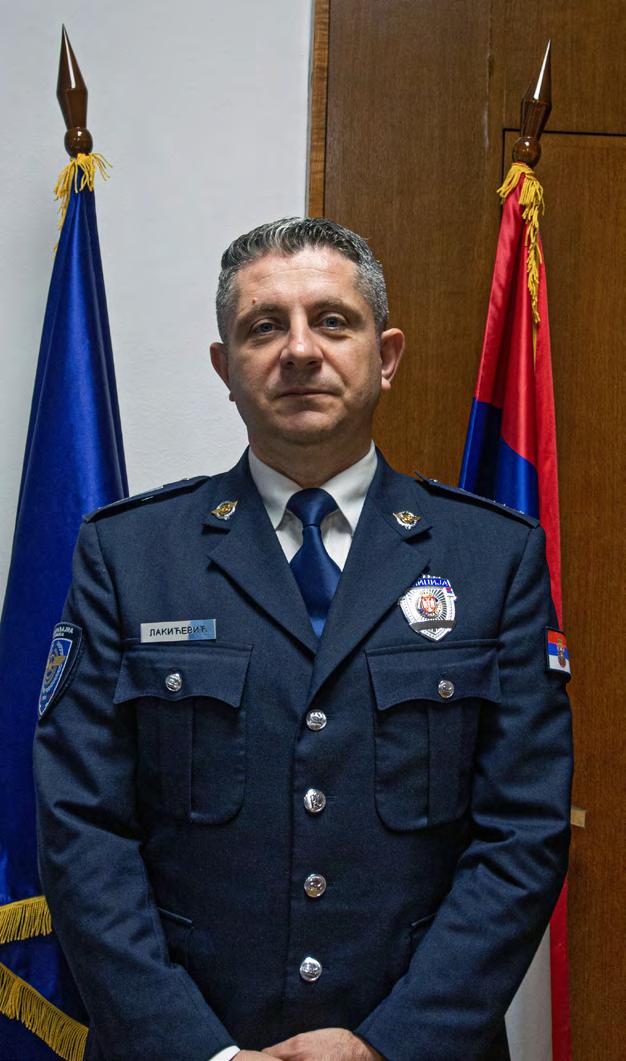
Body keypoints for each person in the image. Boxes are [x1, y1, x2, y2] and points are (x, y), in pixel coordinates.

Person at [34, 217, 573, 1061]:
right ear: (226, 368)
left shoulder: (493, 557)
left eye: (331, 320)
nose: (298, 350)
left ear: (385, 356)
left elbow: (524, 832)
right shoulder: (129, 556)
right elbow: (81, 828)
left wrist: (387, 1045)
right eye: (263, 326)